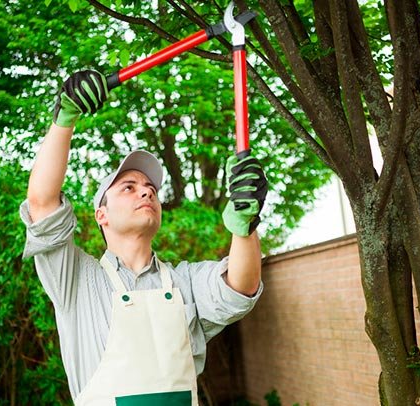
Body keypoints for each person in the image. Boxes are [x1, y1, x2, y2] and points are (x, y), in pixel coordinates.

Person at [20, 70, 268, 405]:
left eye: (151, 189)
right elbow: (42, 202)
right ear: (101, 215)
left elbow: (241, 286)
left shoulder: (185, 281)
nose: (146, 193)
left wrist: (245, 225)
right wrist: (65, 116)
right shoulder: (76, 280)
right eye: (129, 187)